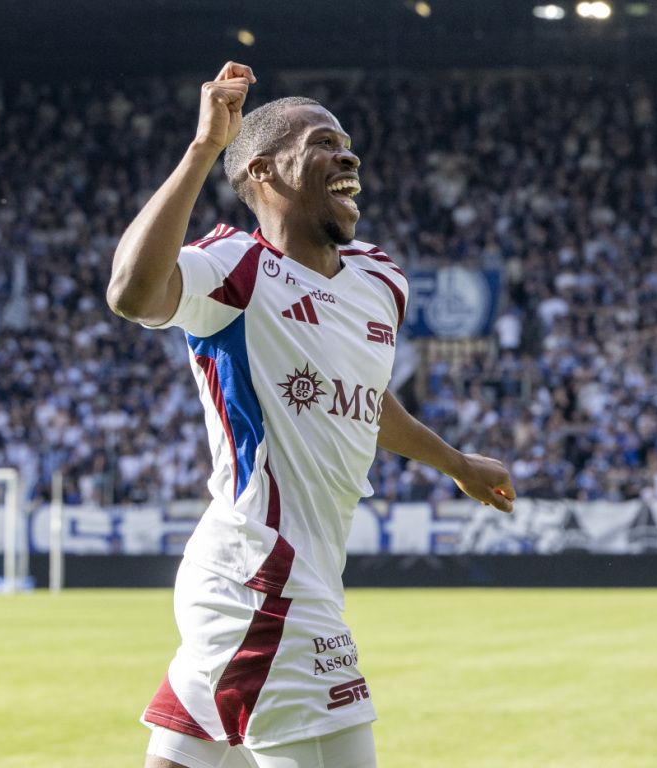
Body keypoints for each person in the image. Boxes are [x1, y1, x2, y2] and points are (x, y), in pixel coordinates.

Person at [107, 62, 515, 768]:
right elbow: (132, 294)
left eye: (348, 144)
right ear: (263, 172)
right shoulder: (235, 266)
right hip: (267, 579)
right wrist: (203, 149)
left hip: (276, 578)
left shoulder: (381, 281)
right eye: (323, 143)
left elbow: (365, 400)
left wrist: (455, 463)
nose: (348, 156)